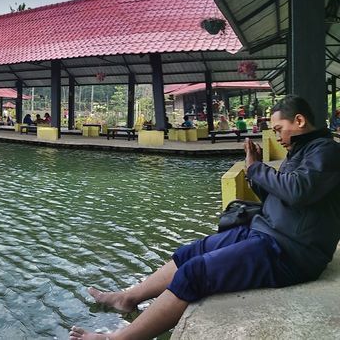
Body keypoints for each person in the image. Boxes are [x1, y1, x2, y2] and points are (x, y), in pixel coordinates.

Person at [69, 96, 340, 340]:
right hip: (266, 232)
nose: (277, 136)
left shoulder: (327, 152)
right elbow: (280, 198)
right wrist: (254, 172)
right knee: (190, 252)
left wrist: (257, 169)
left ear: (300, 121)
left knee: (194, 273)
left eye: (279, 129)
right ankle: (129, 298)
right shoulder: (302, 151)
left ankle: (119, 339)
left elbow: (298, 192)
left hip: (290, 252)